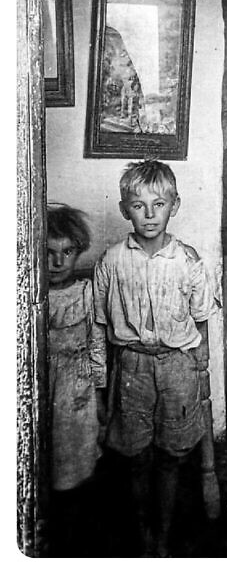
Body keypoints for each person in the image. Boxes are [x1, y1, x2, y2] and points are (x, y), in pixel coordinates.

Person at [93, 160, 218, 557]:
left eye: (159, 204)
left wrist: (200, 371)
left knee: (170, 456)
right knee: (136, 457)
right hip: (131, 366)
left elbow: (202, 321)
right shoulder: (111, 261)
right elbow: (99, 327)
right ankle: (143, 532)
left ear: (174, 205)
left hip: (177, 365)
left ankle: (162, 536)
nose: (149, 214)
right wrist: (100, 386)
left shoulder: (189, 260)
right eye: (138, 205)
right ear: (124, 209)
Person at [47, 203, 106, 546]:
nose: (58, 262)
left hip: (77, 390)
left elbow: (96, 345)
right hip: (44, 387)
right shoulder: (30, 294)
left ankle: (77, 536)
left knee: (78, 460)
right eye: (49, 252)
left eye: (67, 252)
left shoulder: (85, 293)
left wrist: (99, 392)